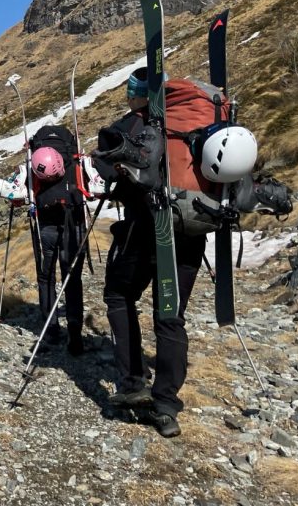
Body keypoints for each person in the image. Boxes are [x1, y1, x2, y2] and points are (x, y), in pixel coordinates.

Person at [93, 67, 205, 438]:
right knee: (170, 317)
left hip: (146, 229)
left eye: (130, 91)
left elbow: (107, 170)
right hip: (191, 230)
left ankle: (131, 382)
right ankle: (166, 405)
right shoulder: (200, 123)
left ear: (138, 94)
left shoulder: (132, 125)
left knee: (119, 295)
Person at [28, 128, 87, 356]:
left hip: (46, 224)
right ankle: (76, 335)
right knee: (72, 278)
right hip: (74, 222)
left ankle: (51, 329)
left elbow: (21, 192)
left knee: (46, 277)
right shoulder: (74, 159)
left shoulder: (33, 163)